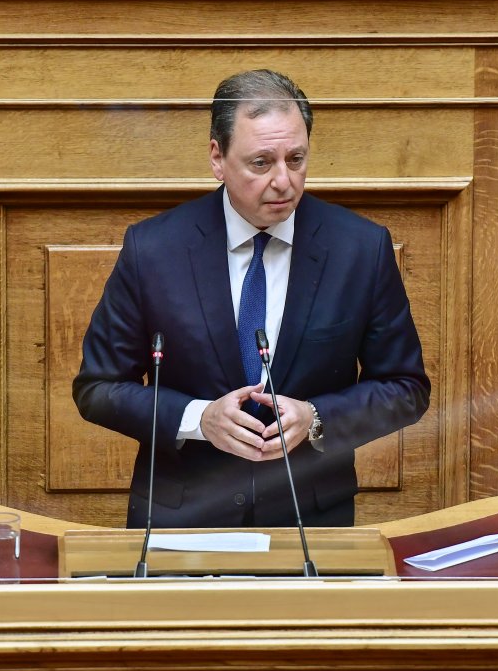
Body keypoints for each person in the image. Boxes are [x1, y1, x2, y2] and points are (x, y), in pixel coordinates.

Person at [73, 69, 430, 528]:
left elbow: (405, 387)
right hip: (183, 521)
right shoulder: (154, 250)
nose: (284, 181)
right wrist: (198, 419)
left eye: (296, 159)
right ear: (217, 158)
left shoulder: (360, 249)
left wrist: (317, 417)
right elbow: (98, 388)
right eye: (261, 163)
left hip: (309, 522)